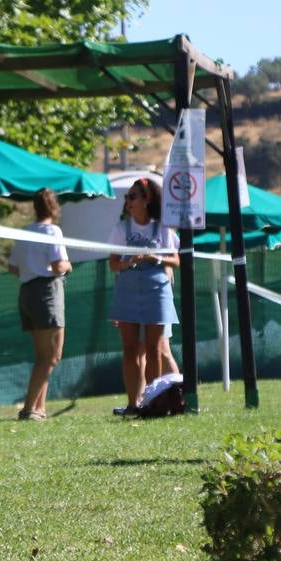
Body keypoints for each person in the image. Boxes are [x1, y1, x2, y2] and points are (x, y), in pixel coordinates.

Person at [107, 177, 180, 415]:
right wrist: (129, 262)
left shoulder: (163, 228)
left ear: (147, 200)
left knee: (154, 347)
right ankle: (133, 404)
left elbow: (175, 259)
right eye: (127, 197)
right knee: (129, 349)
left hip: (156, 290)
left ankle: (153, 400)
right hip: (128, 290)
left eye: (133, 196)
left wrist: (154, 258)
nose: (128, 201)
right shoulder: (120, 229)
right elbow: (113, 265)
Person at [7, 188, 71, 421]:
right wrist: (68, 265)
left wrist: (30, 268)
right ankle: (28, 409)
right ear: (54, 207)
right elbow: (57, 266)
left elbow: (12, 267)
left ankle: (39, 408)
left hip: (27, 294)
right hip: (46, 292)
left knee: (42, 356)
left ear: (35, 207)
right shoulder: (53, 231)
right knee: (52, 356)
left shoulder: (26, 232)